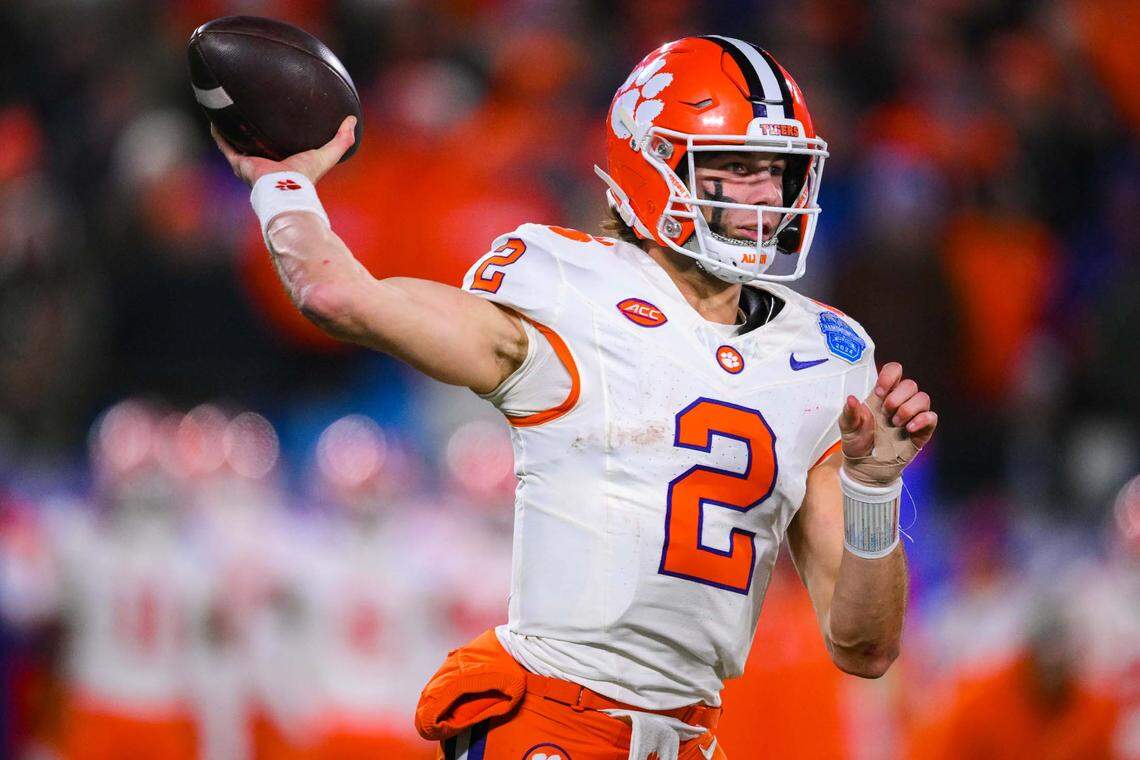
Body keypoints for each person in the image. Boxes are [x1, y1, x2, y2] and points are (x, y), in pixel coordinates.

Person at [212, 35, 938, 760]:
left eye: (777, 172)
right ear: (653, 162)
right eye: (733, 168)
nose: (764, 196)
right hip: (554, 728)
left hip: (688, 742)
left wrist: (874, 489)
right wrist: (283, 185)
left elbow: (865, 648)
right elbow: (338, 296)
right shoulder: (569, 290)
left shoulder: (823, 356)